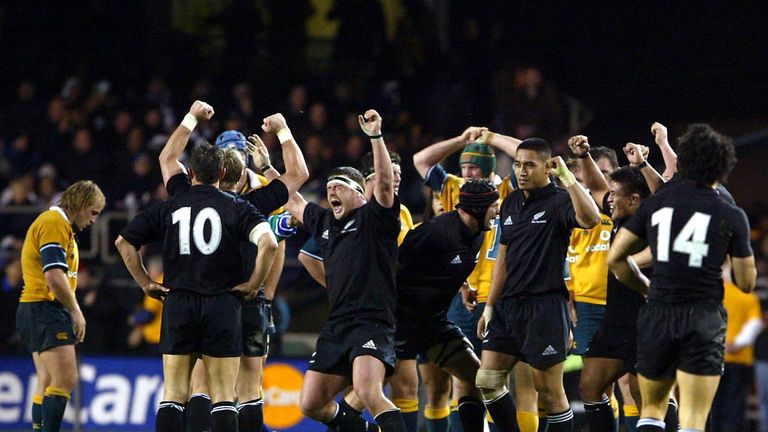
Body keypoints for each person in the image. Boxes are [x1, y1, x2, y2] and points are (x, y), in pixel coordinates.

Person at [115, 100, 278, 432]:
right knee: (222, 397)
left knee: (174, 394)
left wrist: (145, 282)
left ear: (190, 173)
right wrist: (253, 285)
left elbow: (123, 242)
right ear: (222, 173)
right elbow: (271, 244)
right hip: (222, 304)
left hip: (179, 303)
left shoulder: (173, 201)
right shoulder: (239, 207)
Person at [607, 124, 757, 432]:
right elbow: (745, 283)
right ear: (723, 165)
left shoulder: (657, 202)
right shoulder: (729, 212)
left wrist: (645, 287)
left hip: (659, 311)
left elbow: (616, 259)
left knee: (651, 410)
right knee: (692, 418)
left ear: (683, 162)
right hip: (703, 316)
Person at [186, 115, 308, 432]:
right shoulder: (257, 201)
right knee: (228, 381)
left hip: (216, 295)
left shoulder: (198, 195)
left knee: (211, 378)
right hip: (237, 294)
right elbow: (276, 233)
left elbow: (277, 239)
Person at [285, 109, 406, 432]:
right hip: (338, 322)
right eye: (328, 189)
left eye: (338, 187)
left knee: (368, 392)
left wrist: (376, 137)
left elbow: (382, 183)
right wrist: (281, 140)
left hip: (371, 320)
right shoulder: (324, 221)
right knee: (310, 404)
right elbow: (292, 201)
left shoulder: (375, 219)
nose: (331, 193)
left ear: (358, 193)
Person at [413, 128, 535, 432]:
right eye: (463, 166)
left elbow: (529, 155)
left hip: (501, 296)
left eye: (473, 167)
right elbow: (420, 160)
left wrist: (491, 138)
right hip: (462, 298)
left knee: (495, 380)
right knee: (464, 380)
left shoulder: (508, 191)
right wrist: (461, 141)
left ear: (489, 170)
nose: (466, 172)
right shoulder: (455, 188)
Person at [476, 137, 601, 432]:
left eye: (529, 165)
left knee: (550, 394)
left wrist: (569, 178)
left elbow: (592, 218)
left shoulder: (559, 199)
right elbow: (502, 260)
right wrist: (490, 306)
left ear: (548, 167)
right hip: (507, 307)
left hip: (544, 307)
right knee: (487, 381)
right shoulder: (510, 202)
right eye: (518, 164)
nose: (521, 171)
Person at [392, 179, 500, 432]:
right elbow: (393, 270)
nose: (498, 211)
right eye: (494, 206)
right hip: (399, 322)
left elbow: (446, 264)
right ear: (477, 208)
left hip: (432, 323)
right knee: (367, 391)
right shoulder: (433, 232)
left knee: (481, 380)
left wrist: (463, 286)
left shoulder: (477, 234)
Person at [16, 180, 105, 432]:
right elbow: (54, 275)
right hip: (45, 308)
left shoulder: (57, 225)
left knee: (46, 380)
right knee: (65, 379)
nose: (94, 220)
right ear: (81, 204)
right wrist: (76, 310)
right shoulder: (54, 224)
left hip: (34, 308)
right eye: (94, 212)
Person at [709, 263, 763, 432]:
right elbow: (754, 324)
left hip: (712, 358)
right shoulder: (748, 297)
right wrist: (736, 344)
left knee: (713, 405)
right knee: (735, 405)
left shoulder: (713, 296)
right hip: (739, 360)